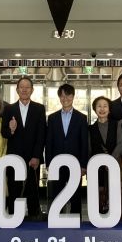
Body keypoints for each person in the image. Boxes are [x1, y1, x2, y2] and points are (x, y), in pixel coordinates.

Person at [1, 77, 47, 220]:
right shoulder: (9, 109)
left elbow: (41, 134)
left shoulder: (39, 108)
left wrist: (37, 156)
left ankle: (34, 218)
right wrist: (11, 130)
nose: (24, 90)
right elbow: (4, 132)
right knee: (14, 189)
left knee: (33, 189)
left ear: (32, 90)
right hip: (14, 157)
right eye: (22, 87)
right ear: (17, 90)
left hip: (33, 158)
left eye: (27, 87)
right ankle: (13, 218)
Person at [45, 84, 88, 215]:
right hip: (57, 163)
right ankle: (58, 221)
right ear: (59, 97)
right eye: (62, 96)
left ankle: (76, 223)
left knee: (75, 196)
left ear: (73, 96)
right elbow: (49, 142)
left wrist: (83, 165)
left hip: (76, 164)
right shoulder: (52, 118)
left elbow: (84, 143)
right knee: (57, 195)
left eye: (68, 95)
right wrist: (49, 163)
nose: (65, 98)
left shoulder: (82, 118)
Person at [88, 96, 115, 214]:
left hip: (114, 166)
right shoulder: (90, 129)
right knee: (99, 197)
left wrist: (111, 161)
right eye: (99, 106)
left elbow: (120, 144)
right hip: (97, 169)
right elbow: (89, 149)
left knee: (114, 195)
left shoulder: (116, 125)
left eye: (105, 106)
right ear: (95, 109)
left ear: (109, 109)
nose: (102, 109)